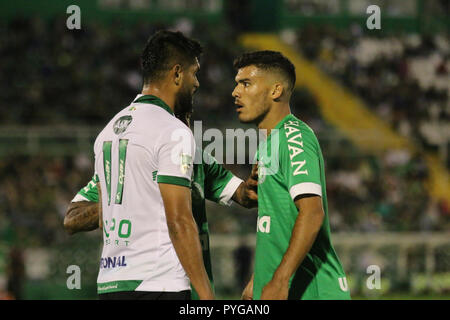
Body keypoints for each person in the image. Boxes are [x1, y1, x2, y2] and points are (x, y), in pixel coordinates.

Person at [65, 112, 258, 300]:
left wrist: (251, 186)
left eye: (187, 116)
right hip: (132, 280)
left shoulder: (196, 159)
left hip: (180, 285)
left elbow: (243, 195)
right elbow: (72, 219)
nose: (184, 124)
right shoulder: (131, 159)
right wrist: (115, 202)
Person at [89, 30, 212, 300]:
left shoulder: (106, 133)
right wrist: (206, 295)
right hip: (159, 283)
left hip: (112, 284)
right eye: (194, 72)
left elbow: (102, 216)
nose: (197, 83)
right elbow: (179, 220)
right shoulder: (173, 131)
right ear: (177, 73)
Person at [232, 50, 350, 300]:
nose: (235, 92)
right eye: (236, 84)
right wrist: (259, 278)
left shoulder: (294, 136)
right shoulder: (268, 144)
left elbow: (312, 212)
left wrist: (279, 280)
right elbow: (278, 224)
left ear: (275, 91)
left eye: (246, 83)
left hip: (313, 291)